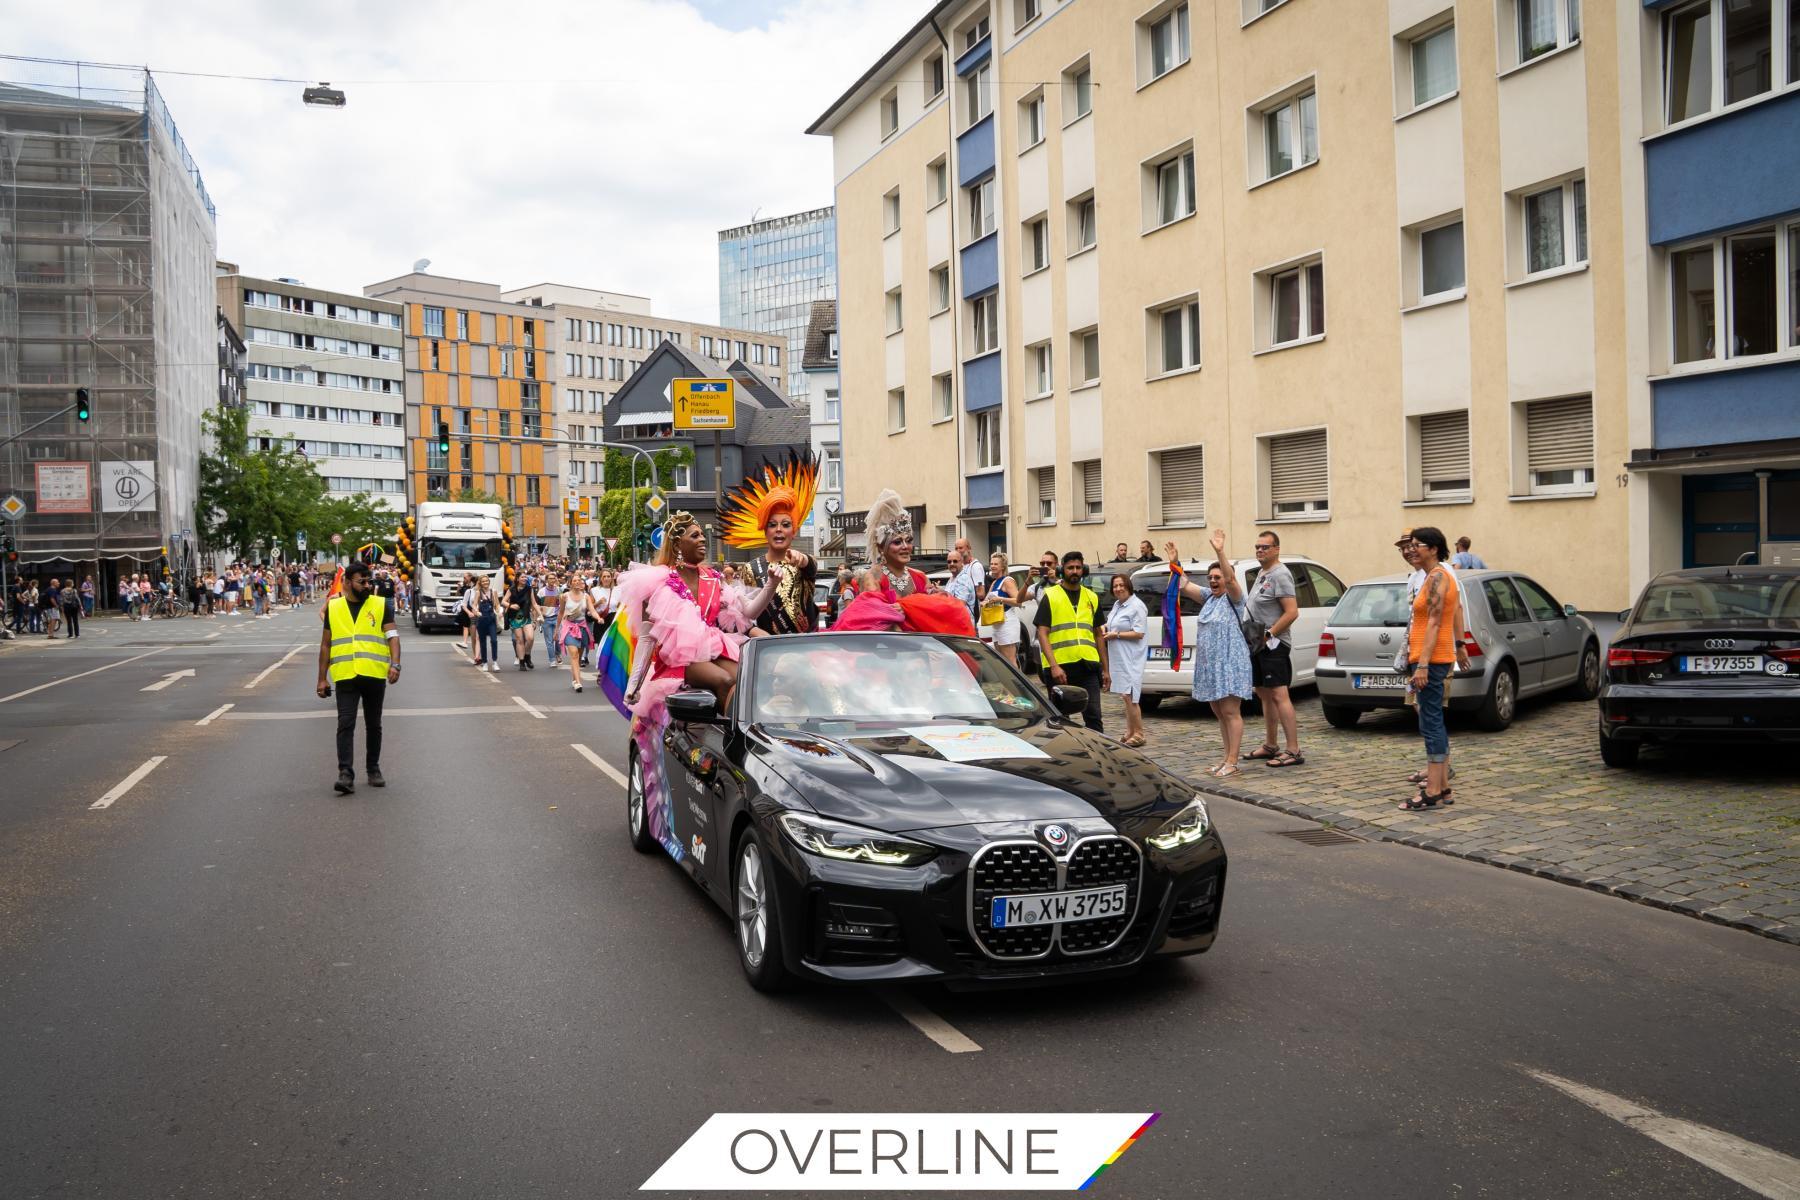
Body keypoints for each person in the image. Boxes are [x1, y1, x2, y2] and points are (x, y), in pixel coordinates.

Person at [1167, 531, 1254, 776]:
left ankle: (1233, 762)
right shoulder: (1209, 598)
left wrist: (1219, 551)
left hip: (1230, 664)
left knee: (1230, 712)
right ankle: (1226, 758)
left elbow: (1231, 579)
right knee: (1220, 714)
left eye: (1218, 577)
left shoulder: (1235, 598)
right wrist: (1175, 561)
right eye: (1211, 578)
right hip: (1210, 666)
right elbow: (1184, 584)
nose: (1214, 581)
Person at [835, 491, 976, 636]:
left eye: (908, 541)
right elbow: (876, 620)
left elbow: (942, 614)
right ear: (881, 548)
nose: (905, 547)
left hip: (922, 646)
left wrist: (909, 608)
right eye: (897, 542)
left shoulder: (920, 577)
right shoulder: (873, 577)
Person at [315, 561, 399, 795]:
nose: (367, 585)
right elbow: (325, 644)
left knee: (374, 724)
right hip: (345, 675)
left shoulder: (380, 604)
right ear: (347, 582)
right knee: (345, 723)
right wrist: (322, 678)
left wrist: (396, 664)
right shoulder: (334, 607)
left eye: (368, 581)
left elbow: (392, 636)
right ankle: (345, 773)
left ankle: (373, 769)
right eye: (362, 581)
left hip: (373, 673)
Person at [719, 452, 821, 635]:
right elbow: (744, 616)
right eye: (772, 525)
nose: (779, 529)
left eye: (786, 525)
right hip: (768, 646)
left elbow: (809, 564)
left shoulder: (803, 563)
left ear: (794, 531)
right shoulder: (750, 569)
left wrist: (802, 558)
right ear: (765, 530)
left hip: (806, 646)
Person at [1400, 527, 1460, 811]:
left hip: (1432, 659)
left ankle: (1433, 790)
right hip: (1428, 657)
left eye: (1417, 545)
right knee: (1432, 719)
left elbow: (1434, 622)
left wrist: (1422, 665)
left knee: (1431, 722)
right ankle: (1443, 787)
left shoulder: (1437, 577)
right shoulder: (1430, 577)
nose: (1411, 550)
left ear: (1433, 548)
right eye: (1410, 545)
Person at [1243, 531, 1303, 768]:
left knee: (1279, 695)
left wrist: (1269, 634)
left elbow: (1292, 612)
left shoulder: (1280, 574)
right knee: (1264, 694)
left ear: (1276, 549)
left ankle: (1294, 750)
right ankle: (1270, 745)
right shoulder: (1262, 573)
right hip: (1257, 642)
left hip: (1273, 644)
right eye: (1257, 547)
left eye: (1265, 547)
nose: (1260, 550)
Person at [1033, 550, 1108, 731]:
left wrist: (1106, 669)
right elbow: (1042, 633)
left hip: (1088, 666)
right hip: (1060, 668)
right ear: (1062, 570)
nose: (1074, 571)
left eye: (1078, 567)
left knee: (1094, 717)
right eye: (1070, 568)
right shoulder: (1051, 596)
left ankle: (1095, 749)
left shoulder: (1091, 597)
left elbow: (1098, 634)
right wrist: (1054, 666)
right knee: (1061, 720)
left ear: (1084, 570)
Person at [1101, 573, 1148, 746]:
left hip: (1131, 657)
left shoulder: (1137, 606)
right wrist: (1104, 627)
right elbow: (1112, 624)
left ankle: (1139, 733)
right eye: (1115, 586)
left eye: (1121, 585)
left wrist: (1117, 635)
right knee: (1124, 695)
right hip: (1119, 657)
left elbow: (1139, 633)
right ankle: (1129, 731)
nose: (1118, 588)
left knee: (1131, 695)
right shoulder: (1117, 605)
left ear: (1128, 586)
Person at [558, 574, 604, 692]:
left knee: (577, 657)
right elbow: (561, 612)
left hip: (582, 628)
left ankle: (574, 679)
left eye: (579, 580)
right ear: (570, 583)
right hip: (569, 627)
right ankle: (578, 683)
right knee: (574, 653)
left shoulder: (586, 596)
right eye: (574, 580)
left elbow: (592, 610)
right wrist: (556, 629)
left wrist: (598, 618)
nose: (577, 582)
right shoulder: (564, 596)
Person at [979, 551, 1022, 665]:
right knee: (1002, 662)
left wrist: (1000, 599)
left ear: (1003, 566)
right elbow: (986, 600)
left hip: (1008, 623)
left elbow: (1018, 601)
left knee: (1010, 660)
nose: (992, 566)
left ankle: (1018, 678)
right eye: (991, 564)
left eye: (996, 564)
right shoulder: (994, 583)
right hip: (996, 623)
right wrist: (983, 603)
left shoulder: (1007, 581)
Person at [506, 570, 539, 670]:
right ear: (517, 579)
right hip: (515, 617)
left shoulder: (529, 589)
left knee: (530, 638)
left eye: (525, 577)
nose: (525, 578)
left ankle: (527, 656)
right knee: (519, 640)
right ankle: (521, 662)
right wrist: (510, 605)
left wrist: (539, 616)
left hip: (526, 616)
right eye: (522, 577)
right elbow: (503, 601)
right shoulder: (511, 589)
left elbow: (534, 604)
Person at [468, 576, 500, 671]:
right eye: (483, 581)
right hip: (481, 620)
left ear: (489, 581)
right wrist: (477, 611)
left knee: (494, 640)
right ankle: (485, 662)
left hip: (491, 620)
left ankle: (495, 662)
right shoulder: (478, 592)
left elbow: (497, 604)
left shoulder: (493, 591)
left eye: (487, 581)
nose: (485, 582)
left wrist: (499, 612)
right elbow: (474, 605)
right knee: (482, 642)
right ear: (480, 583)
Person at [539, 572, 563, 667]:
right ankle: (552, 660)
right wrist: (539, 616)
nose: (553, 580)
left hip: (557, 618)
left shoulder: (559, 590)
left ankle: (558, 654)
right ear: (546, 580)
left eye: (554, 578)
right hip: (546, 619)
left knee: (558, 639)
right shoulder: (541, 591)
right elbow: (537, 605)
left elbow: (562, 603)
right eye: (550, 578)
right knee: (549, 641)